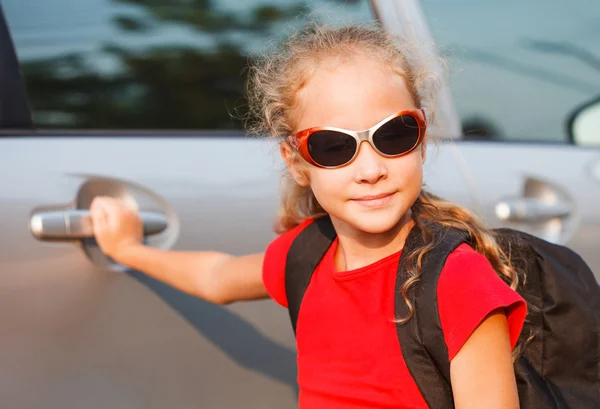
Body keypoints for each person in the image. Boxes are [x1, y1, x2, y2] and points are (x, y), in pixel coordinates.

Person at [90, 23, 527, 409]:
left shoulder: (457, 279)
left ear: (422, 138)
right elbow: (217, 278)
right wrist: (129, 249)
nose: (371, 170)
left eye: (394, 135)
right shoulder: (306, 253)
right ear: (297, 161)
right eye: (334, 146)